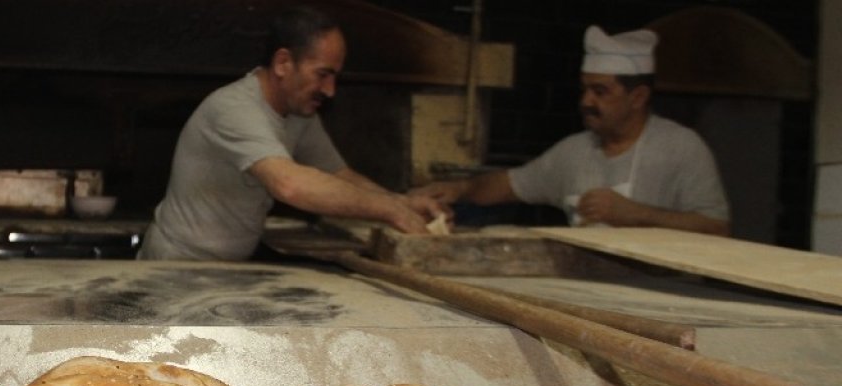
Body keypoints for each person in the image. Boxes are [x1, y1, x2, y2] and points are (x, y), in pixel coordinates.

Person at [138, 5, 451, 261]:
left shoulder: (299, 113)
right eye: (322, 75)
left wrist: (403, 203)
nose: (330, 90)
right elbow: (289, 185)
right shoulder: (233, 108)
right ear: (283, 63)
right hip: (175, 265)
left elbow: (339, 173)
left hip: (226, 266)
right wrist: (388, 210)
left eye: (335, 77)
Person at [418, 26, 730, 236]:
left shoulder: (680, 147)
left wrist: (637, 214)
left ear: (638, 97)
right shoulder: (576, 151)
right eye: (584, 89)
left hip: (665, 298)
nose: (586, 101)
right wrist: (458, 190)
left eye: (600, 91)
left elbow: (717, 227)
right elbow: (508, 184)